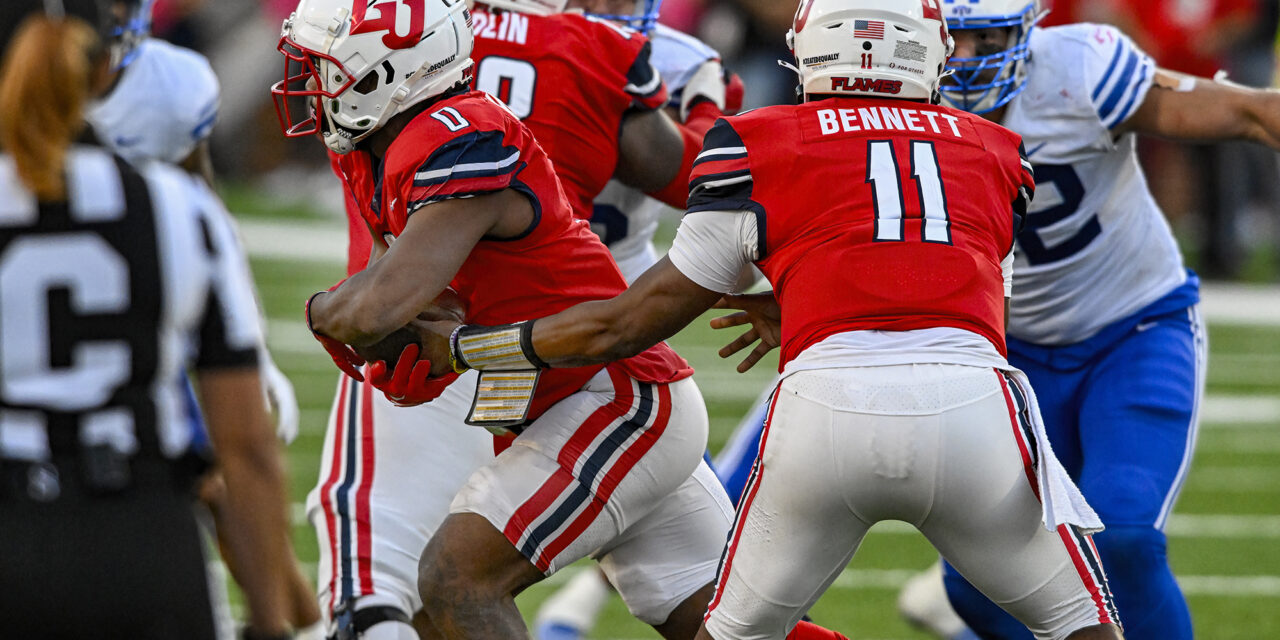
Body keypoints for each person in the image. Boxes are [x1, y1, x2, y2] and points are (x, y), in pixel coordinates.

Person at [408, 0, 1130, 638]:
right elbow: (959, 295)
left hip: (825, 413)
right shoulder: (998, 150)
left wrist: (474, 350)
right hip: (975, 412)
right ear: (928, 52)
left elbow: (628, 324)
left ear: (812, 49)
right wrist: (818, 301)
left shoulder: (759, 140)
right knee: (1082, 624)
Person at [272, 1, 797, 639]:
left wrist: (324, 313)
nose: (306, 85)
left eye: (323, 68)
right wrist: (396, 349)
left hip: (614, 398)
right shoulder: (385, 140)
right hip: (557, 396)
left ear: (386, 73)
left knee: (456, 579)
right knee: (722, 625)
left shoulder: (459, 133)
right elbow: (395, 303)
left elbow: (373, 303)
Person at [931, 1, 1280, 638]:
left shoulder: (1081, 66)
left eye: (988, 37)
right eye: (956, 38)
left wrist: (1264, 110)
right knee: (974, 583)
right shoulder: (898, 105)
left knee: (1124, 538)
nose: (968, 59)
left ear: (1026, 28)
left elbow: (1245, 112)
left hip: (1133, 330)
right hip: (1011, 357)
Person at [0, 0, 304, 638]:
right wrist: (270, 622)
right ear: (106, 66)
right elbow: (245, 451)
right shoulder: (178, 208)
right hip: (140, 537)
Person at [88, 3, 322, 638]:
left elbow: (202, 200)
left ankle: (297, 622)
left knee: (218, 483)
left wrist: (240, 334)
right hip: (75, 322)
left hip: (146, 311)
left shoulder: (171, 85)